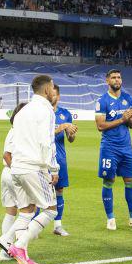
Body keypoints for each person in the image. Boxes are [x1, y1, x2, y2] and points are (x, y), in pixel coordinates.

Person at [0, 75, 60, 264]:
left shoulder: (22, 112)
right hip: (34, 167)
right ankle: (18, 245)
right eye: (52, 88)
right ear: (47, 89)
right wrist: (54, 168)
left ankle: (12, 246)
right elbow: (46, 142)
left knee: (27, 210)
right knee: (50, 210)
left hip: (17, 169)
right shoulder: (46, 110)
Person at [95, 69, 132, 230]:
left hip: (126, 148)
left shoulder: (128, 98)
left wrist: (131, 118)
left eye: (119, 77)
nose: (117, 80)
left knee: (130, 182)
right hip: (109, 148)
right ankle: (110, 219)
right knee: (108, 181)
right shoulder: (102, 101)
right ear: (107, 81)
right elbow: (100, 126)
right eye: (113, 77)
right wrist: (122, 118)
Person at [0, 102, 27, 262]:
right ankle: (13, 246)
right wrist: (18, 172)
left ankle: (4, 252)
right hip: (14, 173)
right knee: (28, 211)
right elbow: (7, 155)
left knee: (11, 211)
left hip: (7, 173)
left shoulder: (14, 130)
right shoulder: (18, 131)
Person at [52, 84, 77, 236]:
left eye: (54, 94)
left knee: (59, 190)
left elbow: (71, 139)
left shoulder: (65, 114)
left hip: (60, 158)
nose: (52, 97)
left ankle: (57, 225)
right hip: (43, 158)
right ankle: (33, 225)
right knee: (39, 191)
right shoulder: (43, 113)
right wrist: (61, 127)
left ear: (59, 96)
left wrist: (71, 133)